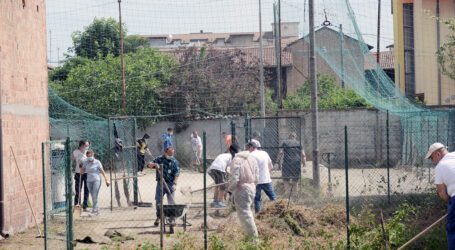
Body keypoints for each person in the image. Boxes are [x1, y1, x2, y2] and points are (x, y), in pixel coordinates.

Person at [425, 142, 455, 248]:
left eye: (432, 158)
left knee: (453, 229)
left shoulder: (440, 167)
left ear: (438, 154)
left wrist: (451, 203)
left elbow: (442, 194)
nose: (433, 162)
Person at [228, 144, 259, 240]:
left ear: (232, 152)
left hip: (242, 190)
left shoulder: (236, 160)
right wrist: (252, 186)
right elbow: (257, 177)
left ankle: (253, 239)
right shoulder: (252, 159)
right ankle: (250, 237)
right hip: (252, 188)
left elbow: (235, 178)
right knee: (248, 212)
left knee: (245, 215)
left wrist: (229, 189)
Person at [147, 146, 180, 226]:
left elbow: (177, 173)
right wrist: (154, 164)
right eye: (169, 154)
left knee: (171, 202)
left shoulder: (174, 162)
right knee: (158, 201)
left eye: (172, 154)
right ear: (165, 153)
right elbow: (148, 165)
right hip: (160, 184)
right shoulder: (159, 159)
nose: (171, 156)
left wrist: (175, 184)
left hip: (170, 184)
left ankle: (171, 218)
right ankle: (159, 217)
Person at [247, 142, 276, 213]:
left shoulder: (250, 155)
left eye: (247, 148)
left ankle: (258, 215)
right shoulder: (264, 153)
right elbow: (271, 167)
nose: (247, 150)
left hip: (256, 181)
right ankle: (278, 212)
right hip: (266, 179)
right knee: (273, 198)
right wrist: (265, 173)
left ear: (251, 147)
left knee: (257, 200)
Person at [276, 132, 306, 198]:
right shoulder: (299, 143)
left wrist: (277, 162)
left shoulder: (285, 143)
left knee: (286, 180)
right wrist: (304, 165)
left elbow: (281, 152)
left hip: (287, 163)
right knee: (295, 181)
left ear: (289, 137)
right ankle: (295, 196)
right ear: (295, 137)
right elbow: (303, 155)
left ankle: (287, 195)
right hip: (296, 163)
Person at [81, 150, 110, 216]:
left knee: (94, 195)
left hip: (96, 180)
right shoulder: (85, 162)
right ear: (87, 156)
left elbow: (102, 171)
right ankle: (96, 210)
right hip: (88, 181)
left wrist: (106, 179)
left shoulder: (97, 162)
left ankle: (94, 210)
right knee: (93, 195)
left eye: (91, 156)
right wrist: (81, 167)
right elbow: (82, 172)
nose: (90, 157)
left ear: (93, 155)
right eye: (88, 156)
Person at [72, 140, 90, 211]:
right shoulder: (76, 152)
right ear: (81, 146)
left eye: (88, 146)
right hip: (79, 173)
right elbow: (71, 160)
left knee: (87, 189)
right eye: (86, 145)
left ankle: (85, 205)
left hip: (87, 173)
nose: (87, 147)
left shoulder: (88, 152)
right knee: (78, 190)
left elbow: (92, 161)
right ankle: (77, 205)